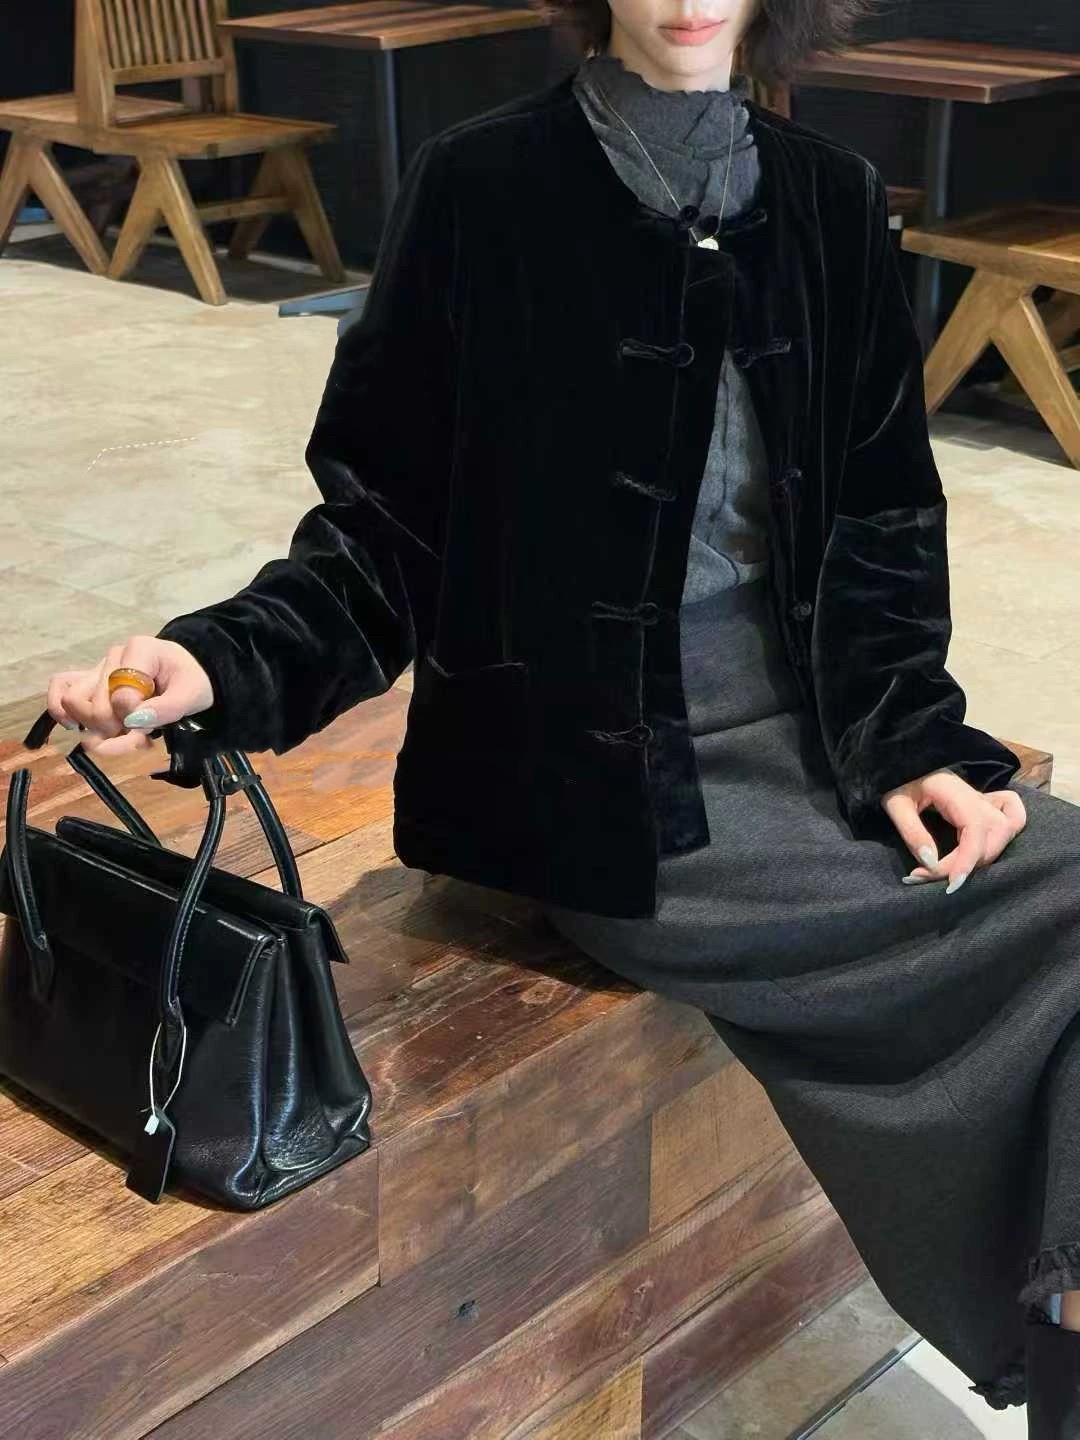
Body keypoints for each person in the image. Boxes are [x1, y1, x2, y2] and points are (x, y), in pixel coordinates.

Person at [42, 0, 1080, 1429]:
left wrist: (911, 736)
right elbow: (384, 531)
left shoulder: (833, 198)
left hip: (814, 737)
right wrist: (220, 660)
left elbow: (882, 520)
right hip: (602, 792)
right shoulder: (482, 184)